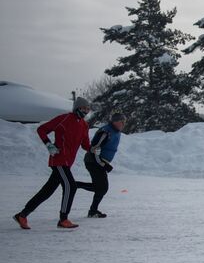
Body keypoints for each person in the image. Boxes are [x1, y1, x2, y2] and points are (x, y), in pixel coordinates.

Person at [13, 97, 92, 230]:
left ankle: (22, 215)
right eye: (83, 108)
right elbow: (42, 129)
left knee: (47, 191)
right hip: (59, 160)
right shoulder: (64, 118)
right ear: (77, 108)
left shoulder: (84, 125)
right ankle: (63, 219)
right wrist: (49, 145)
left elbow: (85, 145)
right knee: (70, 186)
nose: (85, 111)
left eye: (87, 109)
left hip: (68, 163)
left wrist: (93, 148)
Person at [75, 113, 126, 218]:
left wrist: (104, 164)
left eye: (124, 122)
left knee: (101, 187)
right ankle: (75, 185)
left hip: (99, 162)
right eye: (122, 122)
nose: (123, 124)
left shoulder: (115, 131)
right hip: (94, 161)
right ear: (115, 122)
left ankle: (92, 210)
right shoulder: (106, 132)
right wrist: (103, 164)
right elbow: (94, 150)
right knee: (102, 188)